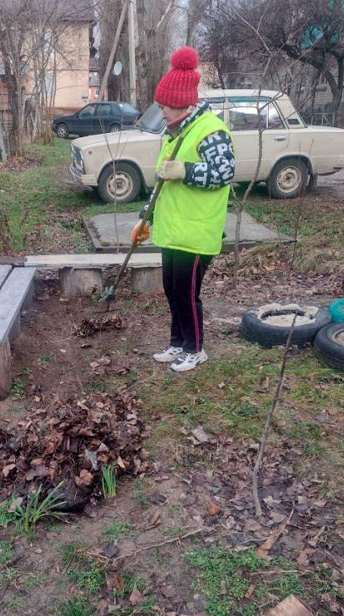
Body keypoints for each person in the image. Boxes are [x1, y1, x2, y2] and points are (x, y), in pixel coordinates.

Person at [131, 46, 236, 373]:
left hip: (196, 232)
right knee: (173, 292)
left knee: (189, 296)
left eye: (163, 106)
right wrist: (144, 217)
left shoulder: (210, 131)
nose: (160, 111)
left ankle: (195, 349)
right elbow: (162, 183)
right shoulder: (173, 133)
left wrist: (186, 171)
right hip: (173, 230)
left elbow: (224, 173)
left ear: (180, 104)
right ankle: (177, 343)